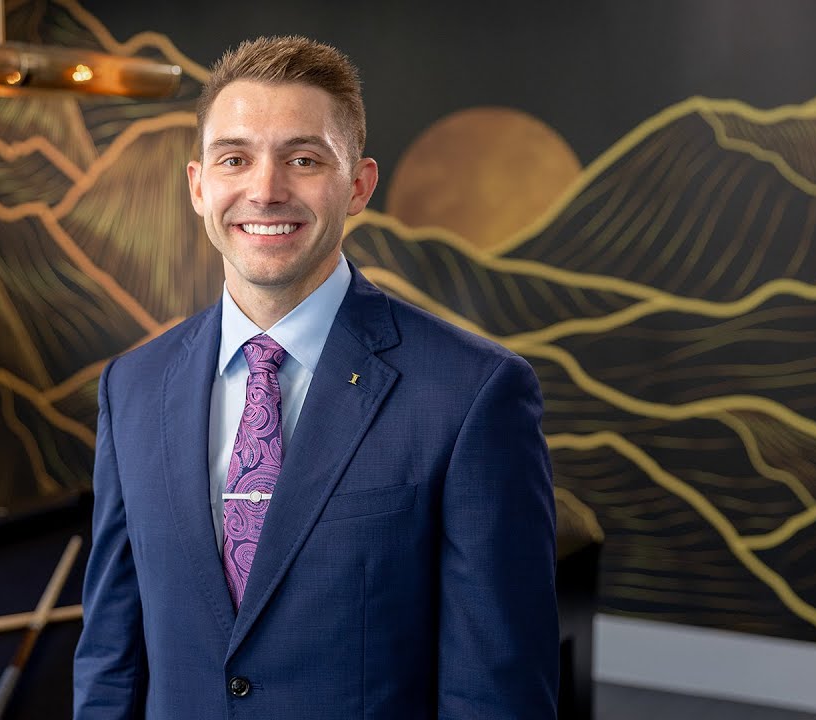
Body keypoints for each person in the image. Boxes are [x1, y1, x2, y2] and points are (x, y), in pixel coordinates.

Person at [73, 35, 557, 719]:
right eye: (234, 158)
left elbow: (497, 693)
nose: (265, 190)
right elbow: (110, 662)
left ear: (358, 185)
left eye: (304, 159)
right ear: (198, 185)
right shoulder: (132, 387)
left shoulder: (472, 395)